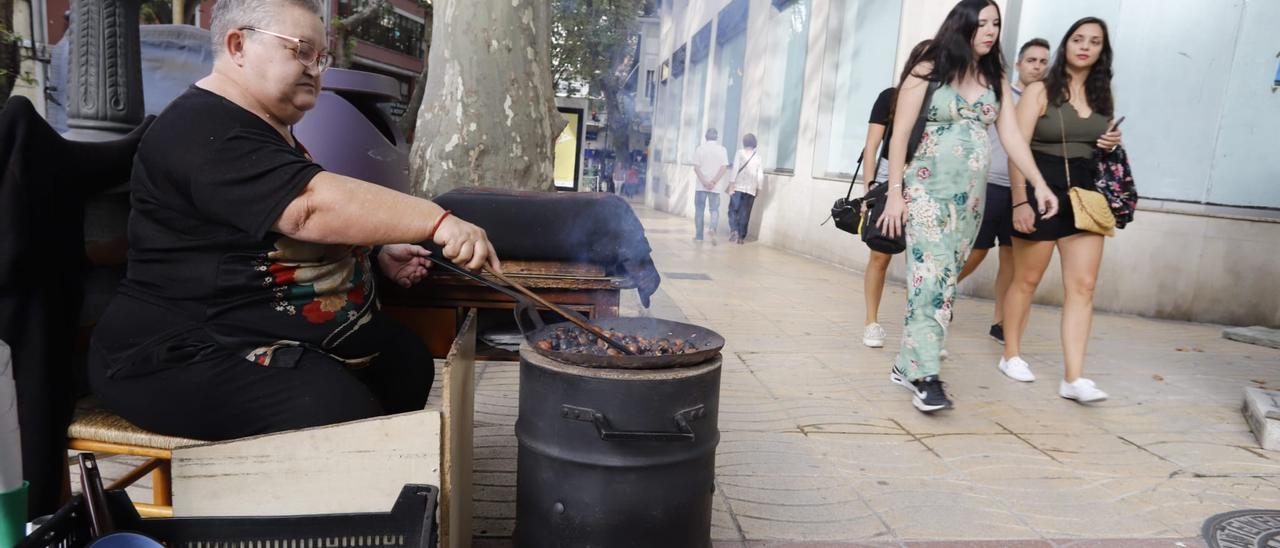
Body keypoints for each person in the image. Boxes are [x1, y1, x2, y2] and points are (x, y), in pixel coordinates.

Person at [86, 0, 501, 441]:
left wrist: (375, 252)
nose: (315, 69)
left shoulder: (262, 128)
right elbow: (306, 208)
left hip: (247, 328)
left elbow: (270, 225)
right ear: (238, 44)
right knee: (332, 410)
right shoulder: (204, 128)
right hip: (177, 351)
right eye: (300, 50)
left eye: (320, 57)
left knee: (404, 360)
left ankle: (372, 497)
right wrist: (436, 221)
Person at [876, 0, 1060, 413]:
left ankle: (906, 364)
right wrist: (893, 194)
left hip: (969, 203)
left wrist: (1039, 184)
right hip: (924, 193)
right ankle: (927, 377)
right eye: (981, 24)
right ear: (962, 26)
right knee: (933, 279)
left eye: (996, 23)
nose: (990, 30)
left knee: (942, 282)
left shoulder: (995, 74)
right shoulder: (930, 64)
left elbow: (1012, 137)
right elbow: (900, 135)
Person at [999, 17, 1123, 402]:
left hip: (1084, 195)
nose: (1085, 46)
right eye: (1078, 39)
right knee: (1027, 280)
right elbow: (1015, 148)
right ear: (1066, 45)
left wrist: (1109, 142)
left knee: (1083, 287)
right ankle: (1011, 354)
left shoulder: (1104, 96)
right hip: (1040, 189)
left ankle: (1074, 378)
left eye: (1095, 41)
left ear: (1103, 51)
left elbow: (1098, 146)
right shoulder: (1040, 90)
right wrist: (1020, 200)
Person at [956, 37, 1051, 344]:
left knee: (1011, 259)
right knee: (979, 251)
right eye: (1032, 60)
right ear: (1019, 64)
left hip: (1022, 192)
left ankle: (999, 322)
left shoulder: (1045, 101)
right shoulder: (1000, 94)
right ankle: (939, 292)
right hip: (991, 185)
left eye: (1043, 62)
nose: (1037, 66)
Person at [859, 40, 932, 349]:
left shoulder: (941, 104)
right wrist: (870, 189)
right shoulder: (891, 98)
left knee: (925, 259)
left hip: (929, 180)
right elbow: (872, 147)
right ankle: (872, 322)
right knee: (880, 253)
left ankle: (918, 325)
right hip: (891, 177)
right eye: (927, 61)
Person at [692, 128, 729, 244]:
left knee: (699, 210)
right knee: (714, 210)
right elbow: (724, 167)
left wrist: (704, 182)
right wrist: (713, 182)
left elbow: (696, 167)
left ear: (705, 137)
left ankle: (698, 237)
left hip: (701, 187)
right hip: (715, 187)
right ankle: (712, 228)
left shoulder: (700, 149)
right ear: (716, 137)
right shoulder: (722, 150)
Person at [726, 133, 763, 244]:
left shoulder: (740, 153)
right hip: (751, 189)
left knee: (733, 210)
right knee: (745, 213)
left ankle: (734, 230)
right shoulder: (758, 157)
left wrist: (731, 183)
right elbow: (760, 174)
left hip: (738, 187)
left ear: (744, 142)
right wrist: (759, 188)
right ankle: (741, 237)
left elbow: (735, 168)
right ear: (754, 143)